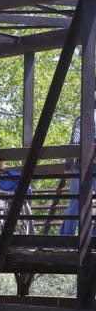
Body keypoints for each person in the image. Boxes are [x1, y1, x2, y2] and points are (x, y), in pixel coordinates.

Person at [60, 101, 96, 236]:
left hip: (81, 166)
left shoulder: (82, 118)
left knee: (74, 204)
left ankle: (65, 238)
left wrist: (68, 165)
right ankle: (93, 237)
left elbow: (74, 143)